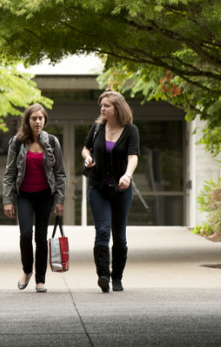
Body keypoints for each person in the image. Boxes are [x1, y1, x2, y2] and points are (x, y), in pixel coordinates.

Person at [2, 103, 66, 293]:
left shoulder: (53, 142)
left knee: (41, 237)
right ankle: (27, 270)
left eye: (41, 118)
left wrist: (60, 200)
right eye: (34, 119)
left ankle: (40, 279)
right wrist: (7, 200)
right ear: (27, 121)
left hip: (45, 195)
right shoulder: (17, 142)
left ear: (45, 120)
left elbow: (60, 173)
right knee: (25, 235)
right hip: (25, 195)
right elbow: (9, 173)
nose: (38, 122)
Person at [81, 91, 140, 293]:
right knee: (103, 231)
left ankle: (117, 278)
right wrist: (87, 158)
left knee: (120, 235)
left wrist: (128, 175)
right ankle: (103, 275)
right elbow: (85, 148)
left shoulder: (131, 130)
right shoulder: (97, 128)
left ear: (117, 108)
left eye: (106, 105)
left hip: (121, 189)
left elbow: (133, 156)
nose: (102, 109)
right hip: (98, 188)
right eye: (101, 105)